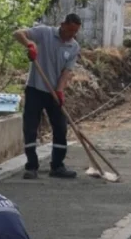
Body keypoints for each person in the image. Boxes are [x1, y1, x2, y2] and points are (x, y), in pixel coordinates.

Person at [12, 14, 82, 180]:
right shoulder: (44, 33)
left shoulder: (74, 47)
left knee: (60, 128)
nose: (72, 34)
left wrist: (59, 90)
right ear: (62, 24)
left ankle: (57, 166)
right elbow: (17, 33)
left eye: (76, 31)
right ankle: (31, 166)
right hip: (35, 88)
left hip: (54, 92)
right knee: (30, 128)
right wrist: (30, 44)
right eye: (70, 29)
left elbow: (67, 71)